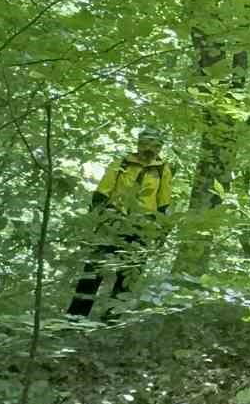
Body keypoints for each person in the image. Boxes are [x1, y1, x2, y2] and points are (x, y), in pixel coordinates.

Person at [67, 126, 174, 319]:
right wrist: (97, 218)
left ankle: (111, 319)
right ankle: (75, 317)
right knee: (94, 268)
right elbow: (102, 190)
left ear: (160, 148)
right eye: (146, 143)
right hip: (113, 221)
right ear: (139, 144)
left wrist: (162, 229)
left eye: (155, 145)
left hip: (142, 227)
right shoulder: (123, 162)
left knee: (129, 274)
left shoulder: (162, 169)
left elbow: (164, 201)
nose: (150, 149)